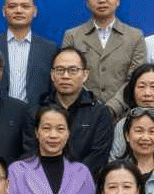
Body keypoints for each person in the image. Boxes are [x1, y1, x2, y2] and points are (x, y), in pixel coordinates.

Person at [61, 0, 147, 118]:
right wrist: (91, 106)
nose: (102, 0)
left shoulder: (135, 36)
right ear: (87, 2)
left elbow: (135, 80)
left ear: (117, 0)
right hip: (82, 114)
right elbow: (68, 75)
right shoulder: (72, 36)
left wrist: (112, 109)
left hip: (123, 117)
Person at [31, 46, 113, 176]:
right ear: (52, 75)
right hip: (42, 182)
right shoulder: (36, 111)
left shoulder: (99, 113)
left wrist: (72, 180)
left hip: (84, 182)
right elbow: (30, 152)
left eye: (73, 70)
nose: (65, 76)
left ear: (85, 75)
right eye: (60, 70)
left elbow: (98, 156)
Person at [0, 0, 57, 106]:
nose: (18, 11)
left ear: (34, 11)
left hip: (36, 115)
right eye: (12, 6)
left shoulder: (50, 49)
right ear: (4, 11)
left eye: (25, 6)